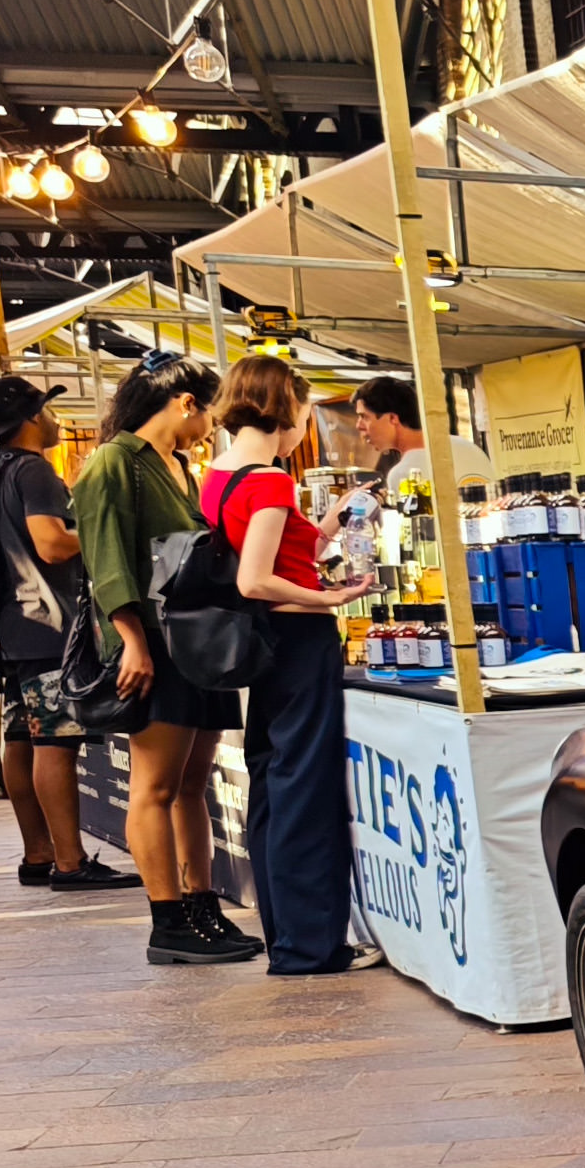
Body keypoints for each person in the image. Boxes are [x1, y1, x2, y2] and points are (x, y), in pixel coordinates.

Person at [200, 356, 377, 976]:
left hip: (266, 644)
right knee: (304, 788)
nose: (304, 425)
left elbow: (273, 554)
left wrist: (328, 524)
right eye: (303, 411)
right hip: (298, 640)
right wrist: (332, 598)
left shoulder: (220, 474)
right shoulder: (271, 481)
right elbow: (255, 579)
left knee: (275, 785)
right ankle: (311, 946)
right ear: (285, 409)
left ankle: (292, 939)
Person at [77, 352, 254, 965]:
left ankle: (202, 907)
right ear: (185, 404)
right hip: (152, 643)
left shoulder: (177, 465)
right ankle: (168, 922)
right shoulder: (114, 461)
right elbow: (105, 560)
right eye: (210, 415)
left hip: (196, 642)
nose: (209, 430)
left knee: (191, 784)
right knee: (154, 786)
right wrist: (131, 640)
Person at [0, 374, 136, 892]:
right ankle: (69, 861)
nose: (55, 418)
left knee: (21, 736)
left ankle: (38, 854)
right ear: (30, 419)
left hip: (8, 627)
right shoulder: (33, 469)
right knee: (55, 742)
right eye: (46, 409)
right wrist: (106, 531)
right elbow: (52, 544)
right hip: (47, 625)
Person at [347, 375, 481, 492]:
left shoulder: (404, 474)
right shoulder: (468, 448)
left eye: (364, 417)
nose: (359, 426)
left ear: (392, 418)